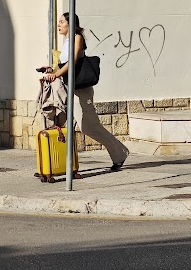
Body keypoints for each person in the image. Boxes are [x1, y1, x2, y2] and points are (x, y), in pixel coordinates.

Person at [42, 12, 129, 171]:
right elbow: (63, 66)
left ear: (71, 24)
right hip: (69, 88)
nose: (59, 24)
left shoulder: (77, 38)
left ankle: (120, 153)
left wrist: (56, 74)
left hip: (81, 90)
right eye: (59, 22)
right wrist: (51, 71)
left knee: (89, 126)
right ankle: (56, 166)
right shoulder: (66, 41)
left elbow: (73, 61)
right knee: (58, 122)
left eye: (62, 22)